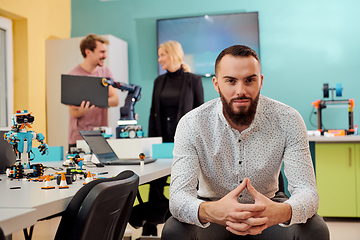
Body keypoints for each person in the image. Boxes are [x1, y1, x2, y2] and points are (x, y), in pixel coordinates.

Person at [161, 45, 330, 240]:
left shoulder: (288, 119)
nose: (240, 91)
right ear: (216, 84)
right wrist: (211, 211)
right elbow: (178, 198)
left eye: (249, 80)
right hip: (214, 212)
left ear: (261, 81)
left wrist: (280, 212)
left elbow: (307, 192)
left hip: (268, 208)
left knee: (316, 229)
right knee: (173, 230)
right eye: (231, 81)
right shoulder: (191, 124)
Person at [134, 41, 204, 236]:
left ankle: (188, 217)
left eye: (161, 55)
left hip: (186, 142)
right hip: (162, 141)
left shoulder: (193, 80)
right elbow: (152, 112)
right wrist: (151, 141)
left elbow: (200, 112)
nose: (159, 59)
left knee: (185, 180)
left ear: (172, 55)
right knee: (157, 178)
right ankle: (153, 219)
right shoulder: (159, 81)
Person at [67, 34, 119, 151]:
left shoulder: (105, 72)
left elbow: (115, 100)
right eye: (101, 52)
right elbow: (74, 112)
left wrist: (93, 101)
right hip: (78, 139)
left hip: (101, 137)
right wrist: (85, 109)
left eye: (105, 52)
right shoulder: (74, 75)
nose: (105, 56)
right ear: (88, 52)